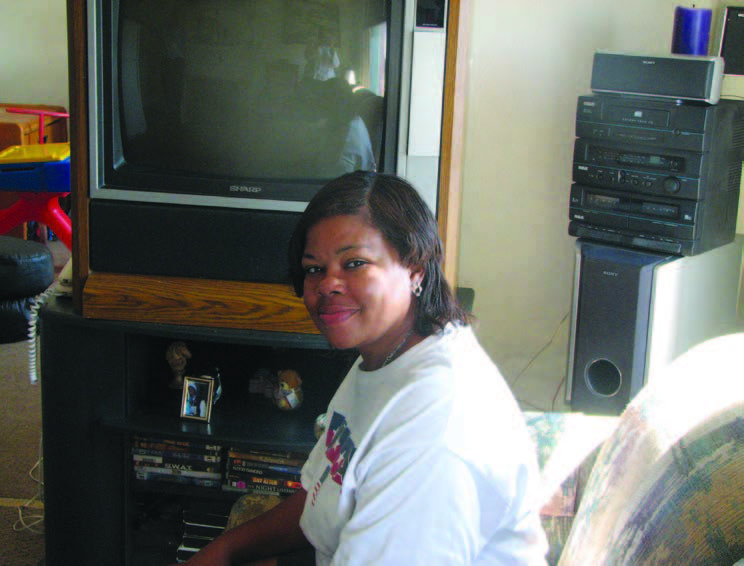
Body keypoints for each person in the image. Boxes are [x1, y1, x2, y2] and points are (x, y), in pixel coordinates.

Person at [178, 171, 548, 565]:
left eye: (354, 263)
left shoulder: (437, 425)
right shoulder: (386, 355)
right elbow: (325, 495)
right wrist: (224, 550)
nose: (327, 285)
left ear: (415, 269)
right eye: (314, 268)